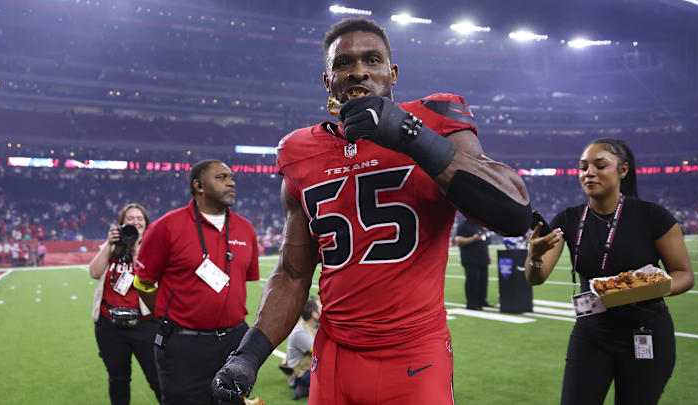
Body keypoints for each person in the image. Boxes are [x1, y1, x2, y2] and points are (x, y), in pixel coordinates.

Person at [212, 18, 531, 405]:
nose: (358, 70)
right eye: (343, 63)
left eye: (372, 59)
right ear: (328, 81)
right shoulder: (299, 153)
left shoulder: (435, 120)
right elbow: (294, 274)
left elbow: (513, 212)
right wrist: (248, 354)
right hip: (334, 356)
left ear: (391, 72)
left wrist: (410, 135)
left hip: (415, 354)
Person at [524, 138, 694, 405]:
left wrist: (642, 289)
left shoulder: (652, 216)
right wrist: (533, 256)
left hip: (645, 331)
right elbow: (537, 277)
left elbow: (684, 274)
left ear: (623, 170)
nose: (588, 172)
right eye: (583, 167)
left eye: (599, 165)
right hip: (592, 332)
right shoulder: (568, 219)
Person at [133, 160, 259, 405]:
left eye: (231, 177)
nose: (231, 182)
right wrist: (169, 315)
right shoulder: (166, 227)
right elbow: (143, 282)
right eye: (221, 177)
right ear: (198, 185)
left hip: (234, 343)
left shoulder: (246, 229)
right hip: (183, 345)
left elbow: (245, 281)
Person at [89, 203, 161, 405]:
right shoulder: (113, 247)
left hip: (145, 324)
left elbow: (149, 280)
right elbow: (94, 273)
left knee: (157, 378)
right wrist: (109, 244)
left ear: (146, 224)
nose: (135, 222)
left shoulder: (153, 246)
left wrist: (137, 248)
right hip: (110, 326)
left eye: (139, 219)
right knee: (118, 380)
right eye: (130, 219)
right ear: (121, 224)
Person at [280, 296, 321, 401]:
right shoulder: (301, 332)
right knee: (331, 378)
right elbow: (320, 353)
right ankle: (303, 388)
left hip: (308, 368)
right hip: (300, 374)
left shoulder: (315, 325)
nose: (323, 308)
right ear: (314, 314)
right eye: (320, 306)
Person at [455, 219, 492, 310]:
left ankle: (482, 300)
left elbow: (484, 243)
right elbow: (459, 240)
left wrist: (488, 256)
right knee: (472, 282)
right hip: (471, 259)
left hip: (483, 258)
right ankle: (472, 303)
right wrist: (473, 238)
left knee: (483, 281)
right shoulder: (464, 226)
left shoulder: (480, 225)